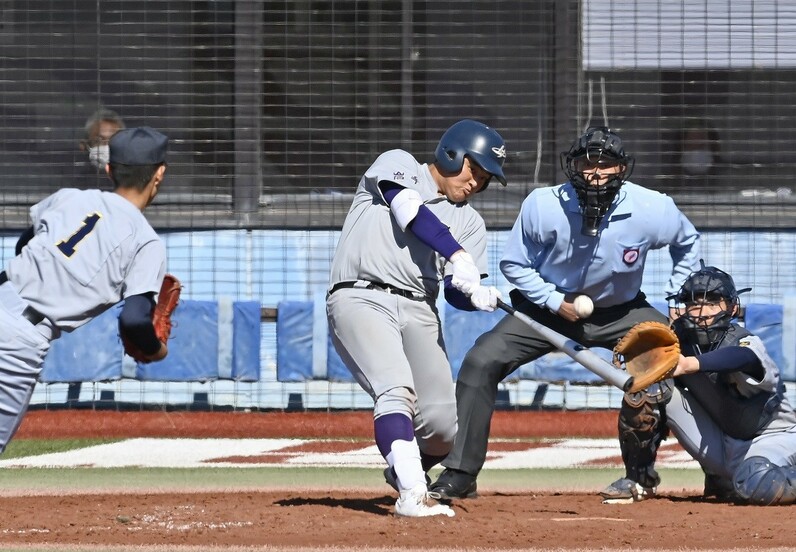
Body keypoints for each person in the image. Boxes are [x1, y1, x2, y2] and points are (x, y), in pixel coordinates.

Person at [429, 125, 701, 502]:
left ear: (622, 170)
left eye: (606, 165)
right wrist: (555, 301)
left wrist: (676, 298)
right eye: (588, 164)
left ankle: (644, 476)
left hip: (621, 310)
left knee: (678, 357)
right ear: (572, 167)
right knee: (480, 360)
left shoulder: (653, 208)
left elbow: (687, 243)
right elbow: (514, 265)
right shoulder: (543, 205)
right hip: (546, 309)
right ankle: (460, 472)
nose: (596, 173)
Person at [326, 119, 508, 517]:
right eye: (473, 169)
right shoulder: (399, 163)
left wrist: (474, 294)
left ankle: (405, 468)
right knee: (396, 390)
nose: (476, 182)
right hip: (362, 295)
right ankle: (412, 493)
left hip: (419, 307)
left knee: (443, 428)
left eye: (486, 177)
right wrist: (457, 255)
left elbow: (456, 293)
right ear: (451, 153)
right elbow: (407, 208)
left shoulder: (471, 223)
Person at [0, 126, 171, 455]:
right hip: (18, 340)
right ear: (159, 174)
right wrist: (156, 351)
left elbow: (26, 243)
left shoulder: (71, 197)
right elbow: (135, 321)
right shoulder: (146, 242)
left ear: (109, 170)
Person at [661, 263, 796, 505]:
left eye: (712, 303)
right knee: (653, 390)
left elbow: (743, 358)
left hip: (772, 437)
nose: (702, 312)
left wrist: (690, 364)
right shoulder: (677, 340)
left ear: (732, 308)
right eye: (694, 304)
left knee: (756, 482)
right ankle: (637, 477)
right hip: (724, 444)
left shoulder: (743, 341)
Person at [79, 108, 126, 176]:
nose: (107, 146)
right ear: (84, 146)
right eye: (99, 141)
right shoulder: (74, 182)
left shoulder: (135, 183)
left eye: (114, 140)